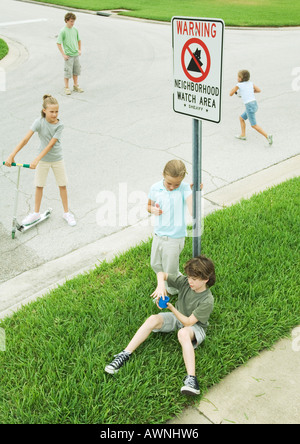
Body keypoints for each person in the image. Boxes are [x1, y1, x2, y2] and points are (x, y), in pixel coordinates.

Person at [105, 255, 216, 396]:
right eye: (189, 277)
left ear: (206, 279)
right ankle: (124, 354)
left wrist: (171, 308)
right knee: (152, 319)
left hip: (195, 327)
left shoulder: (207, 300)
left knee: (183, 333)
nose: (190, 281)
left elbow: (188, 322)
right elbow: (161, 274)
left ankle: (192, 380)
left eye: (194, 279)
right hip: (177, 318)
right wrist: (161, 286)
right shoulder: (185, 282)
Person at [4, 94, 76, 227]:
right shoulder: (39, 122)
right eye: (52, 112)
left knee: (62, 185)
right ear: (44, 111)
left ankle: (66, 212)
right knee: (39, 185)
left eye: (56, 111)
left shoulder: (60, 125)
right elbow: (25, 140)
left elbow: (50, 145)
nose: (54, 114)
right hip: (43, 160)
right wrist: (12, 155)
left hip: (56, 159)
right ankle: (36, 213)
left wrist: (36, 159)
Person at [147, 159, 193, 295]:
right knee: (155, 264)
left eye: (176, 184)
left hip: (175, 238)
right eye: (169, 183)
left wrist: (196, 191)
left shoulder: (185, 188)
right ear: (163, 175)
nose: (172, 187)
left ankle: (174, 290)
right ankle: (170, 282)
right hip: (158, 235)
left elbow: (192, 206)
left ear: (182, 180)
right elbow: (148, 205)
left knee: (170, 270)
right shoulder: (155, 188)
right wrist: (152, 210)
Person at [230, 69, 273, 145]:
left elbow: (230, 93)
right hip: (254, 104)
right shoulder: (250, 83)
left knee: (254, 125)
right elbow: (259, 90)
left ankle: (267, 136)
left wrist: (237, 90)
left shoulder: (239, 85)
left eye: (238, 77)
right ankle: (243, 135)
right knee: (241, 118)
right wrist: (248, 91)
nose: (237, 78)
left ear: (240, 78)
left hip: (249, 106)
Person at [57, 12, 84, 95]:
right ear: (66, 21)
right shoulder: (63, 31)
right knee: (67, 73)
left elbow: (79, 40)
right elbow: (58, 43)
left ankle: (75, 85)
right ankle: (67, 87)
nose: (73, 23)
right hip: (69, 56)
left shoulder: (75, 29)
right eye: (71, 21)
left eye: (73, 21)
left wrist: (79, 50)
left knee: (76, 71)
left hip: (76, 54)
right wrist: (63, 54)